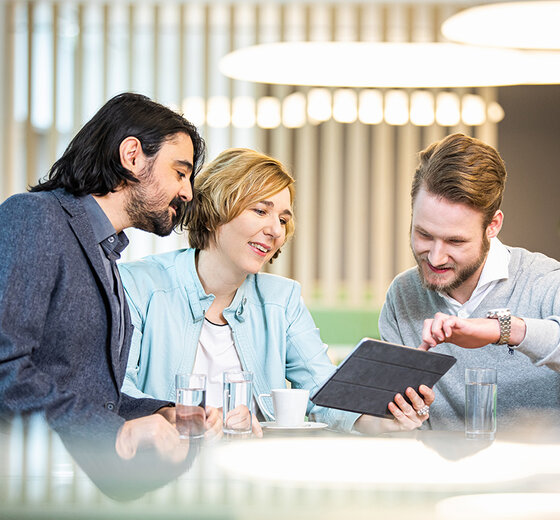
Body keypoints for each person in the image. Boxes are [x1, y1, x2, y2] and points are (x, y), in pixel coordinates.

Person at [120, 148, 434, 436]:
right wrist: (177, 415)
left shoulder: (281, 299)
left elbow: (323, 390)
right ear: (216, 209)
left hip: (253, 474)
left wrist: (380, 421)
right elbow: (119, 388)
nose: (275, 230)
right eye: (260, 211)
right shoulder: (140, 284)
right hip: (164, 470)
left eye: (283, 219)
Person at [0, 92, 217, 467]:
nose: (187, 192)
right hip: (28, 477)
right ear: (132, 155)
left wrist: (161, 413)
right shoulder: (35, 217)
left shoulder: (104, 251)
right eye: (180, 172)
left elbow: (93, 395)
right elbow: (5, 366)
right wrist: (114, 433)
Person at [379, 133, 560, 432]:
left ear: (493, 226)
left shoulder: (545, 281)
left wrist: (503, 330)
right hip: (441, 475)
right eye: (424, 235)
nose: (435, 258)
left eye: (455, 241)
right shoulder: (403, 294)